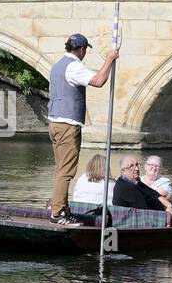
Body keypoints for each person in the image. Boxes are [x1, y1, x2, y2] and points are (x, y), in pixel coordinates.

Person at [48, 33, 120, 226]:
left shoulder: (57, 65)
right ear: (81, 50)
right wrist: (110, 59)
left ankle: (63, 208)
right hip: (67, 125)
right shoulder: (73, 66)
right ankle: (57, 213)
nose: (85, 53)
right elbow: (98, 80)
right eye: (85, 50)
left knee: (61, 170)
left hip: (55, 122)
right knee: (66, 171)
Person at [111, 155, 172, 224]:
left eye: (137, 165)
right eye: (132, 166)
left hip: (155, 215)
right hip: (140, 224)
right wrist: (166, 214)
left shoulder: (134, 181)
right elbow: (144, 210)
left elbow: (153, 192)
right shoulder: (127, 187)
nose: (137, 169)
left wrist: (169, 205)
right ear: (123, 171)